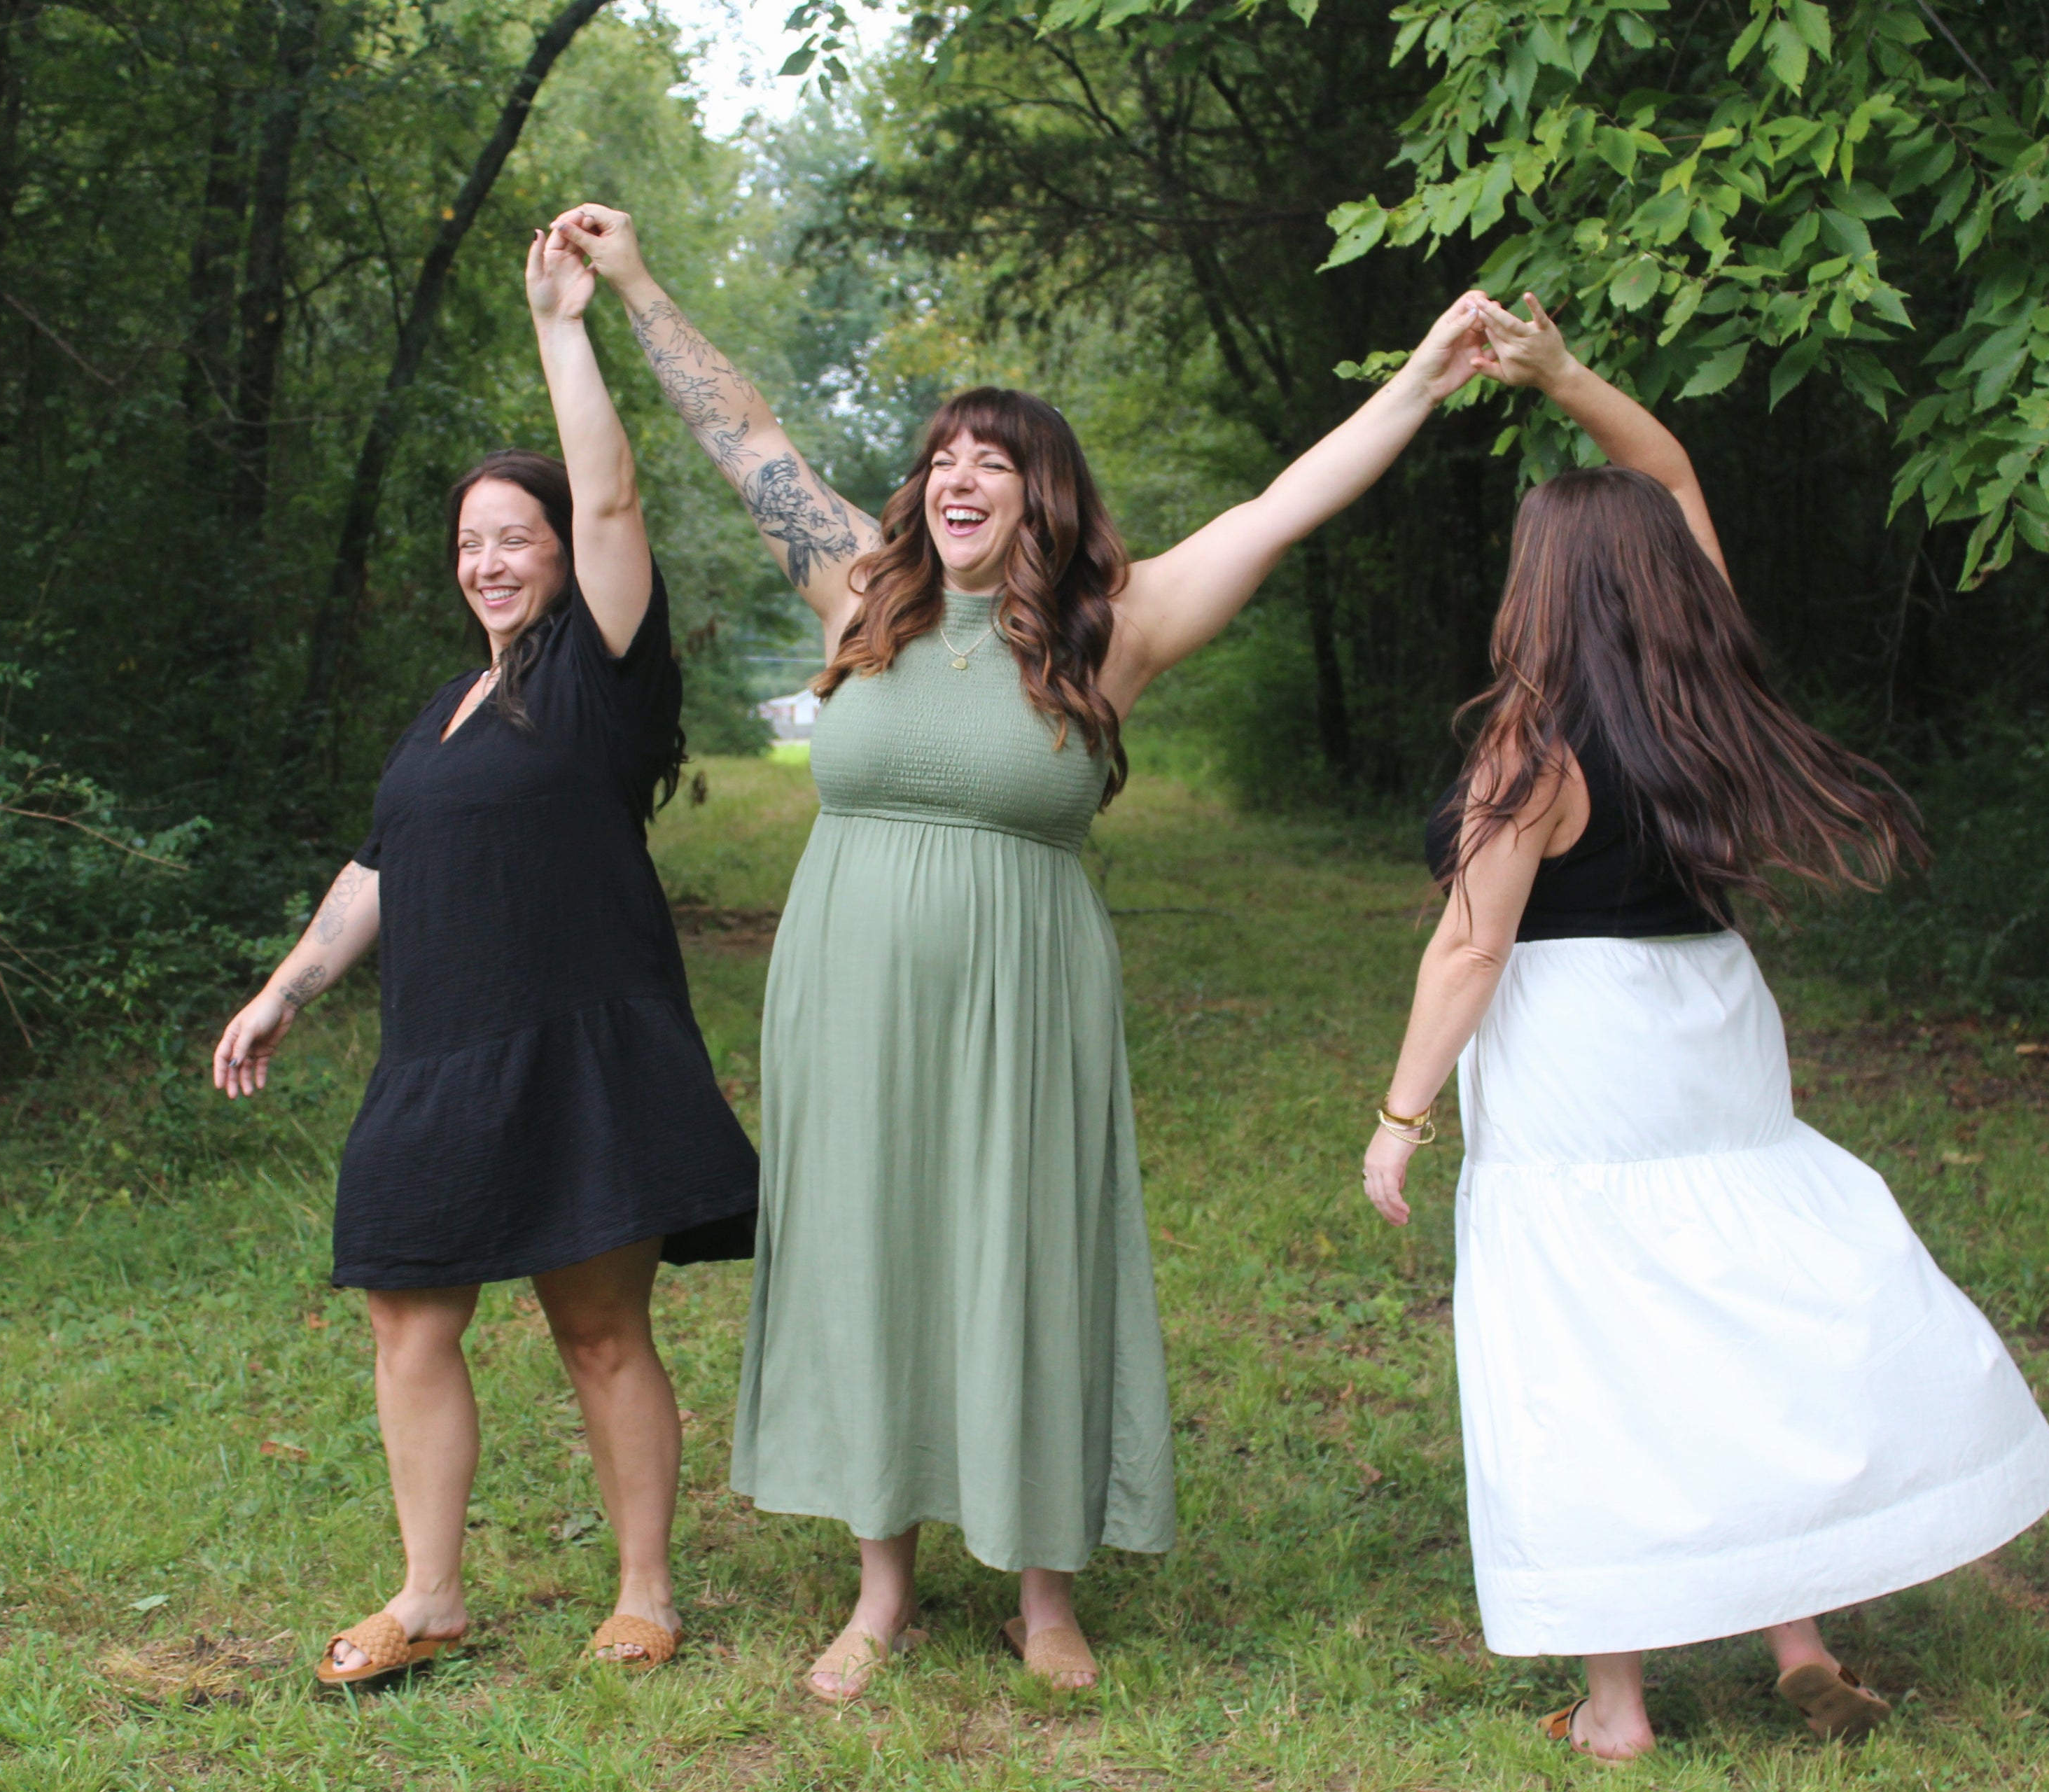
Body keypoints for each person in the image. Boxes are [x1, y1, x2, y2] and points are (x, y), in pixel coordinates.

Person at [551, 197, 1501, 1700]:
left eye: (994, 459)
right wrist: (638, 283)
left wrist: (1425, 377)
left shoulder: (1112, 632)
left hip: (1028, 999)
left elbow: (1278, 508)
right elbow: (744, 439)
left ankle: (1043, 1587)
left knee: (1028, 1251)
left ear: (1046, 498)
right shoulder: (859, 593)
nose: (958, 476)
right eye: (944, 456)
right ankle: (882, 1587)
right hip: (847, 1000)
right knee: (872, 1249)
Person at [1359, 295, 2049, 1760]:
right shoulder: (1706, 697)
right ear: (1662, 582)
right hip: (1709, 1016)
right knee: (1730, 1302)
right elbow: (1674, 479)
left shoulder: (1531, 740)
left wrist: (1401, 1111)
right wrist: (1569, 379)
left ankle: (1618, 1703)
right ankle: (1797, 1629)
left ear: (1542, 584)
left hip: (1576, 1044)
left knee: (1589, 1339)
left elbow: (1476, 939)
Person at [211, 226, 759, 1685]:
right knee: (407, 1315)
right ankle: (431, 1590)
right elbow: (386, 861)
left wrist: (563, 327)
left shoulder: (603, 673)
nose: (489, 559)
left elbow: (621, 486)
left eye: (516, 534)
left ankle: (646, 1587)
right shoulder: (453, 702)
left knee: (596, 1328)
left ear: (565, 552)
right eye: (471, 543)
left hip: (577, 1039)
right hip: (436, 1057)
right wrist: (285, 986)